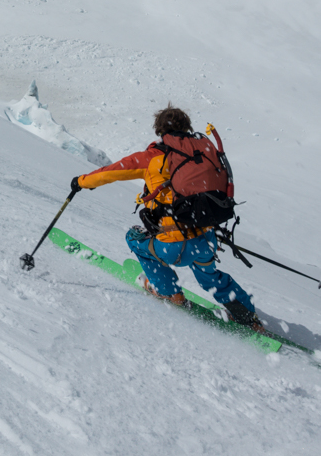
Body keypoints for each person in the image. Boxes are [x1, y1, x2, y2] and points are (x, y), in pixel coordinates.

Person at [71, 105, 264, 330]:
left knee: (135, 239)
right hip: (207, 240)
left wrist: (81, 181)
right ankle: (247, 316)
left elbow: (112, 171)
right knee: (210, 277)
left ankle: (170, 293)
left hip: (174, 246)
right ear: (187, 127)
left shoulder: (153, 157)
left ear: (159, 130)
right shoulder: (203, 154)